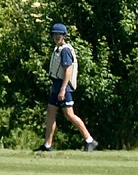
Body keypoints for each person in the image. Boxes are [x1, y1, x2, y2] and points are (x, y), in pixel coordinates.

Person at [38, 23, 98, 153]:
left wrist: (63, 89)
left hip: (64, 86)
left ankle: (89, 140)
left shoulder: (65, 50)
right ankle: (47, 144)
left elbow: (68, 71)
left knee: (69, 114)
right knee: (51, 112)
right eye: (54, 34)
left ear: (64, 36)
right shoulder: (58, 49)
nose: (56, 37)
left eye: (59, 34)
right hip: (57, 84)